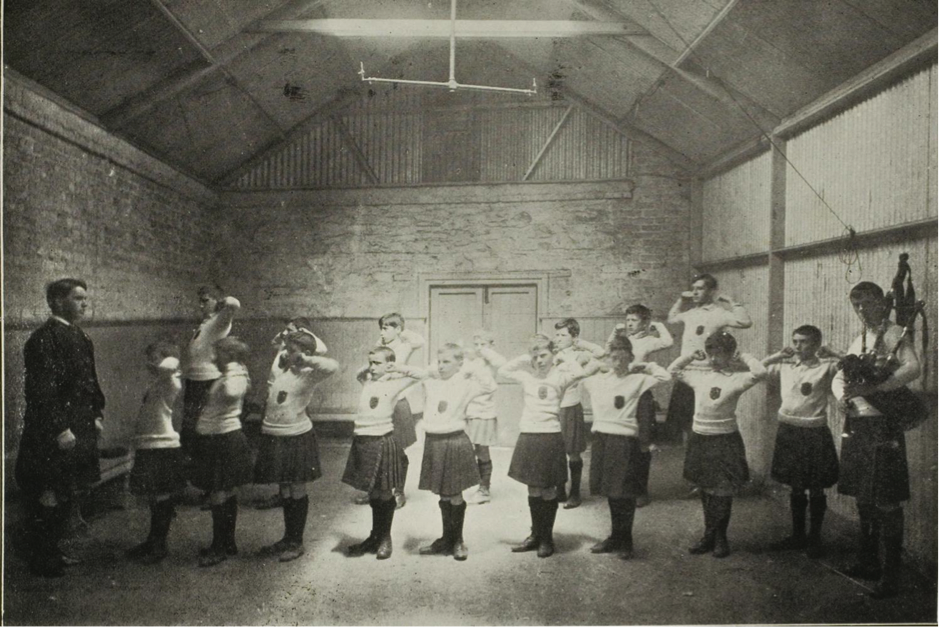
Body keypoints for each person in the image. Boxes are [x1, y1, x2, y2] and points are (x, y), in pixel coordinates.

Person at [832, 281, 921, 599]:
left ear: (883, 303)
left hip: (883, 426)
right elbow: (840, 375)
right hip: (858, 424)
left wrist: (877, 389)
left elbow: (913, 368)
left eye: (868, 303)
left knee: (885, 500)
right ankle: (868, 561)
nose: (862, 310)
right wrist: (840, 398)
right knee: (863, 496)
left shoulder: (895, 333)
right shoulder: (859, 339)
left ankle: (891, 576)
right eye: (856, 305)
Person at [15, 278, 105, 577]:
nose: (84, 304)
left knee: (65, 489)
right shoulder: (43, 340)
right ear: (56, 301)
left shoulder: (80, 336)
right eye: (78, 298)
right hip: (52, 432)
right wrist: (60, 429)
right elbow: (42, 392)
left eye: (84, 298)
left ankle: (53, 550)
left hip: (78, 426)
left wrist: (95, 413)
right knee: (49, 492)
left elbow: (89, 382)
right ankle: (42, 558)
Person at [668, 332, 765, 558]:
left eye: (719, 354)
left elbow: (760, 372)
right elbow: (672, 370)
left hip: (724, 440)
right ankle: (708, 535)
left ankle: (721, 537)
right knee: (704, 488)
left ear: (730, 355)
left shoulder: (737, 378)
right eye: (710, 353)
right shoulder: (699, 377)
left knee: (722, 492)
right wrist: (690, 356)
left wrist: (744, 357)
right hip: (701, 438)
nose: (713, 359)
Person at [500, 335, 596, 558]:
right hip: (528, 436)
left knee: (548, 489)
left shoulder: (560, 376)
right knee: (533, 488)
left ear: (553, 355)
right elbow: (504, 371)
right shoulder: (526, 377)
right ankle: (535, 534)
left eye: (543, 355)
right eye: (536, 357)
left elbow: (581, 373)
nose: (539, 360)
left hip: (550, 436)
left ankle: (547, 538)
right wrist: (526, 356)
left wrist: (562, 357)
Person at [583, 334, 671, 559]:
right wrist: (596, 364)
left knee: (625, 492)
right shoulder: (597, 381)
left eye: (624, 358)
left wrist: (646, 365)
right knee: (611, 492)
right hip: (603, 440)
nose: (619, 363)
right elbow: (576, 375)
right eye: (614, 358)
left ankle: (626, 540)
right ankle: (615, 536)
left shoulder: (638, 380)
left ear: (631, 358)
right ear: (609, 359)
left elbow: (665, 375)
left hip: (624, 442)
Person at [253, 331, 338, 562]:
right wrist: (289, 357)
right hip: (275, 435)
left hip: (296, 436)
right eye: (286, 350)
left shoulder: (310, 374)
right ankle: (287, 538)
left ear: (305, 354)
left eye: (290, 351)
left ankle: (296, 542)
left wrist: (304, 359)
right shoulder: (282, 369)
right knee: (286, 490)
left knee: (296, 489)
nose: (285, 354)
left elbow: (332, 366)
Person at [762, 326, 842, 558]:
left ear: (816, 345)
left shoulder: (827, 367)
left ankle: (814, 538)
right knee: (795, 485)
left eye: (804, 342)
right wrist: (775, 356)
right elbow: (756, 370)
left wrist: (836, 353)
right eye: (795, 341)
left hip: (814, 431)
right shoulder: (784, 366)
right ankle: (798, 536)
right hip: (789, 430)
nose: (798, 346)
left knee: (816, 485)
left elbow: (853, 367)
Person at [413, 343, 497, 560]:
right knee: (442, 492)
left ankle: (458, 540)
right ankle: (445, 538)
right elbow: (420, 374)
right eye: (439, 361)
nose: (441, 366)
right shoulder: (431, 382)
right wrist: (434, 368)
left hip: (455, 440)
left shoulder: (466, 384)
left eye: (446, 362)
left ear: (459, 364)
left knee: (455, 493)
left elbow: (490, 387)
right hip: (434, 441)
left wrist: (469, 366)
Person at [343, 347, 422, 560]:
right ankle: (374, 536)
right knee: (373, 493)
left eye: (377, 363)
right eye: (371, 363)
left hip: (382, 440)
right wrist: (373, 364)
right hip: (363, 440)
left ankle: (385, 538)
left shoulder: (395, 384)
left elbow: (421, 374)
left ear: (389, 364)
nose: (371, 367)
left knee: (385, 492)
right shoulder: (368, 382)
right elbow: (360, 373)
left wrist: (396, 367)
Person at [190, 336, 254, 567]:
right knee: (225, 491)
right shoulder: (229, 374)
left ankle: (220, 547)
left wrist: (234, 368)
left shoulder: (233, 375)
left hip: (224, 438)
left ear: (228, 355)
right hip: (219, 438)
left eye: (218, 353)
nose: (213, 358)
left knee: (220, 491)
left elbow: (232, 392)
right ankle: (227, 543)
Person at [251, 318, 327, 511]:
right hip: (275, 402)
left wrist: (303, 353)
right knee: (281, 472)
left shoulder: (306, 370)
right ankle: (283, 500)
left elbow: (325, 357)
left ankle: (294, 535)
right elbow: (276, 343)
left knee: (295, 480)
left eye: (291, 348)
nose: (286, 350)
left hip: (293, 413)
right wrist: (287, 336)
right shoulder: (284, 356)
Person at [665, 274, 752, 444]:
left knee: (703, 422)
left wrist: (732, 302)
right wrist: (681, 300)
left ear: (711, 291)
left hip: (706, 374)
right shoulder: (690, 313)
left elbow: (745, 321)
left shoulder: (719, 313)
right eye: (693, 289)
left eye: (700, 288)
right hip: (687, 373)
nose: (695, 292)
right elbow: (671, 318)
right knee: (685, 424)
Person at [355, 313, 425, 509]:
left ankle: (399, 491)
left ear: (398, 329)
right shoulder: (380, 349)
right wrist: (382, 341)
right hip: (380, 402)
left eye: (387, 327)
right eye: (382, 327)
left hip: (398, 401)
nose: (382, 331)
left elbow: (419, 341)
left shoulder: (405, 344)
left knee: (398, 448)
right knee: (377, 448)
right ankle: (374, 490)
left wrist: (401, 331)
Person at [607, 304, 674, 506]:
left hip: (642, 394)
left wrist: (656, 324)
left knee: (643, 442)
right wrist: (615, 331)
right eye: (627, 320)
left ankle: (641, 490)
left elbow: (668, 341)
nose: (629, 323)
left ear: (643, 322)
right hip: (622, 393)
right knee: (622, 440)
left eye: (634, 320)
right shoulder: (621, 340)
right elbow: (606, 351)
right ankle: (623, 486)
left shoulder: (648, 341)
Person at [126, 341, 186, 564]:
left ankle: (159, 546)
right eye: (149, 357)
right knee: (153, 495)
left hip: (162, 446)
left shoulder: (171, 382)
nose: (149, 362)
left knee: (161, 495)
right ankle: (152, 541)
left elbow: (171, 365)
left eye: (154, 357)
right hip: (149, 444)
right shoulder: (158, 382)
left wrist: (165, 360)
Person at [552, 318, 606, 509]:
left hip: (571, 406)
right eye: (556, 334)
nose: (557, 338)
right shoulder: (551, 353)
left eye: (563, 335)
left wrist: (579, 344)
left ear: (573, 337)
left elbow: (601, 353)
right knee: (555, 451)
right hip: (553, 408)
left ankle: (575, 493)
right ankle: (559, 488)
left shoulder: (580, 355)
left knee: (573, 452)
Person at [181, 286, 240, 458]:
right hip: (195, 380)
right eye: (200, 301)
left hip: (207, 381)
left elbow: (233, 305)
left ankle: (206, 464)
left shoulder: (219, 321)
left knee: (204, 424)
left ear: (216, 301)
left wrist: (224, 301)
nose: (201, 305)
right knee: (192, 424)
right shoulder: (206, 323)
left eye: (205, 300)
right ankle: (196, 464)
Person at [463, 330, 507, 505]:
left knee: (482, 450)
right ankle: (473, 483)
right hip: (467, 411)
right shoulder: (472, 362)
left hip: (483, 412)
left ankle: (484, 488)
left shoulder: (493, 361)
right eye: (476, 344)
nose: (479, 348)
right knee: (467, 449)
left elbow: (501, 363)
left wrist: (484, 352)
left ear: (491, 346)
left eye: (484, 344)